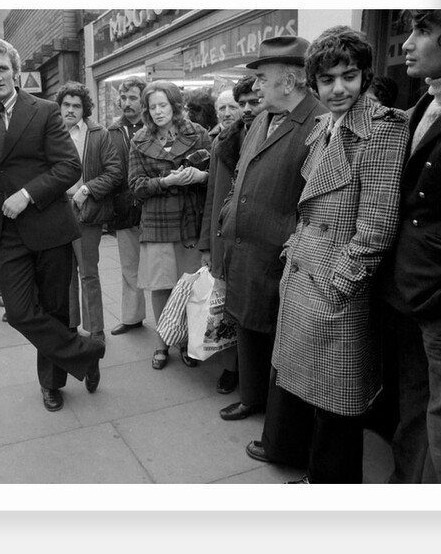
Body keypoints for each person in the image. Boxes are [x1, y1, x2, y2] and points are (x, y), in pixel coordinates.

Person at [244, 26, 409, 483]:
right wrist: (295, 255)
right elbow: (308, 209)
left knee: (338, 408)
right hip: (306, 278)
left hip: (337, 293)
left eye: (349, 76)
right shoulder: (325, 126)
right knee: (315, 399)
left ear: (365, 76)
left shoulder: (382, 128)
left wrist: (337, 288)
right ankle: (316, 478)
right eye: (328, 79)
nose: (339, 89)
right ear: (313, 82)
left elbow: (375, 228)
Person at [0, 38, 106, 412]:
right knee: (21, 312)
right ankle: (86, 353)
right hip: (3, 234)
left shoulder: (42, 111)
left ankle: (52, 383)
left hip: (49, 227)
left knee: (55, 310)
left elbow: (68, 166)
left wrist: (27, 193)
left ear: (15, 71)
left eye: (2, 68)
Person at [217, 36, 328, 421]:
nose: (256, 86)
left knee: (280, 340)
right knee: (247, 328)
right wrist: (229, 211)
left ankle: (279, 425)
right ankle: (252, 398)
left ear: (291, 80)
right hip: (246, 248)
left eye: (263, 77)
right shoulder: (261, 118)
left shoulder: (319, 120)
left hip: (280, 256)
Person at [380, 9, 441, 484]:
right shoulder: (426, 104)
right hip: (406, 290)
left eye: (423, 32)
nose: (407, 44)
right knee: (411, 402)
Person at [128, 80, 211, 370]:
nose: (157, 111)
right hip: (157, 222)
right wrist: (166, 181)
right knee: (161, 286)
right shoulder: (139, 140)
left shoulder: (198, 133)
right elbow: (135, 186)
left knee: (188, 287)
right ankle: (162, 343)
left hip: (190, 220)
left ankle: (187, 342)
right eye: (152, 107)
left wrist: (200, 177)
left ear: (175, 106)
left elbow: (216, 174)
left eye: (163, 105)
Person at [198, 75, 265, 395]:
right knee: (225, 308)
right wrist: (206, 244)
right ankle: (230, 368)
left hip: (256, 241)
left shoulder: (269, 137)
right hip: (223, 237)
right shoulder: (222, 141)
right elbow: (213, 195)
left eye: (251, 103)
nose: (240, 110)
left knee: (250, 311)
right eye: (239, 104)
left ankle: (253, 376)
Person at [56, 81, 123, 344]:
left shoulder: (98, 134)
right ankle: (71, 327)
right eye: (66, 105)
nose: (70, 110)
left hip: (86, 210)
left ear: (85, 109)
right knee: (65, 273)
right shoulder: (50, 133)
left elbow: (115, 172)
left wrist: (87, 190)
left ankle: (96, 331)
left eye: (76, 105)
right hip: (56, 210)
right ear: (59, 107)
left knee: (88, 272)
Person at [107, 77, 148, 336]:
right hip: (124, 208)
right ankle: (132, 318)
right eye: (123, 98)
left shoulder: (156, 127)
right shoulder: (111, 132)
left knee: (164, 269)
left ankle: (175, 327)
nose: (127, 103)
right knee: (129, 266)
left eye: (133, 97)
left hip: (155, 208)